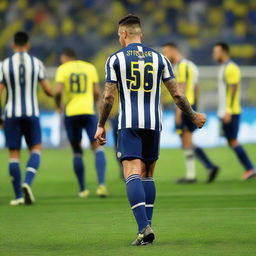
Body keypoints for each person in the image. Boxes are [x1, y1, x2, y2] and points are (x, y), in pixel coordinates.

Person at [94, 14, 206, 246]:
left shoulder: (115, 59)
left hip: (129, 124)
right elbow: (177, 94)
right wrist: (193, 115)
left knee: (131, 172)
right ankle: (147, 228)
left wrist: (101, 124)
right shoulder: (161, 59)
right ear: (140, 34)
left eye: (118, 35)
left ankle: (143, 227)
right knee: (147, 175)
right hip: (154, 124)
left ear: (124, 34)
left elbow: (108, 96)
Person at [0, 31, 54, 205]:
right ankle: (27, 183)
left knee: (13, 154)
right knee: (36, 149)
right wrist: (54, 94)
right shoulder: (36, 63)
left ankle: (17, 196)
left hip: (11, 114)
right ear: (28, 45)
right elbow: (46, 89)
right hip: (32, 113)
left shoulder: (4, 65)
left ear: (13, 45)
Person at [162, 43, 219, 183]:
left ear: (173, 50)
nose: (164, 55)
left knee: (186, 140)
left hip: (185, 106)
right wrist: (195, 107)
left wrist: (179, 111)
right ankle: (209, 166)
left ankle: (192, 175)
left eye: (166, 52)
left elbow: (181, 90)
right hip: (191, 105)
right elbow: (197, 88)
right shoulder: (190, 65)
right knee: (186, 141)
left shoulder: (182, 66)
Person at [54, 48, 108, 198]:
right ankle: (101, 185)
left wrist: (58, 105)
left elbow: (58, 92)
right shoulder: (89, 67)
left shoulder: (63, 69)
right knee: (97, 147)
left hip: (71, 112)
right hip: (88, 111)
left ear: (65, 58)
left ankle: (83, 189)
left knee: (77, 151)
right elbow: (97, 92)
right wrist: (95, 103)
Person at [212, 42, 256, 180]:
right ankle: (250, 168)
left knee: (233, 141)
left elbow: (233, 88)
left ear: (223, 52)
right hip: (225, 111)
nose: (214, 55)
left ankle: (250, 168)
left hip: (231, 111)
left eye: (216, 52)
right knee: (231, 141)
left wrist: (228, 110)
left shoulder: (231, 68)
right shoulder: (223, 68)